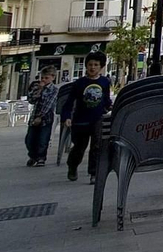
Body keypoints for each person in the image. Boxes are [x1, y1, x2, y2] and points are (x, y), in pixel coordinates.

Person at [61, 53, 112, 183]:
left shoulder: (104, 82)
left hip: (97, 118)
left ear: (101, 67)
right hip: (81, 120)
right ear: (86, 66)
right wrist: (67, 117)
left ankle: (94, 173)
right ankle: (72, 166)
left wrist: (110, 108)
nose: (92, 67)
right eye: (90, 65)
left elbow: (106, 99)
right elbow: (69, 102)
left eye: (96, 65)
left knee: (97, 146)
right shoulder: (79, 83)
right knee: (79, 147)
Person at [23, 66, 58, 167]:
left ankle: (41, 158)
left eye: (46, 78)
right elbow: (31, 100)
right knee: (30, 139)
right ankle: (33, 156)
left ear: (52, 78)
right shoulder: (37, 87)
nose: (43, 80)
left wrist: (40, 116)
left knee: (43, 139)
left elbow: (49, 104)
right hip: (34, 116)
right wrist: (39, 90)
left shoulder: (54, 90)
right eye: (42, 77)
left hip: (46, 118)